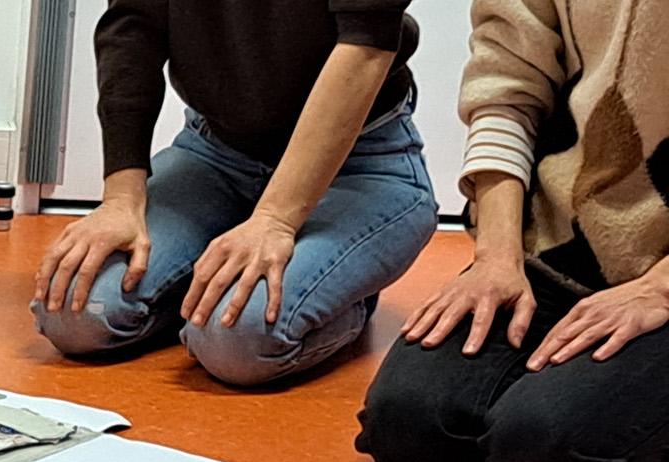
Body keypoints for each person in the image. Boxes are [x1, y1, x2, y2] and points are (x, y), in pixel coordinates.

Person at [357, 0, 669, 462]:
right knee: (406, 429)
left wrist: (659, 287)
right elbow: (505, 87)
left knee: (544, 455)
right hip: (561, 247)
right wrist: (496, 255)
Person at [33, 1, 437, 387]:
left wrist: (274, 219)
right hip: (216, 153)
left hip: (360, 164)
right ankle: (213, 284)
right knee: (74, 313)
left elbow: (366, 44)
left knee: (236, 342)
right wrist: (121, 200)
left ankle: (343, 295)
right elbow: (132, 22)